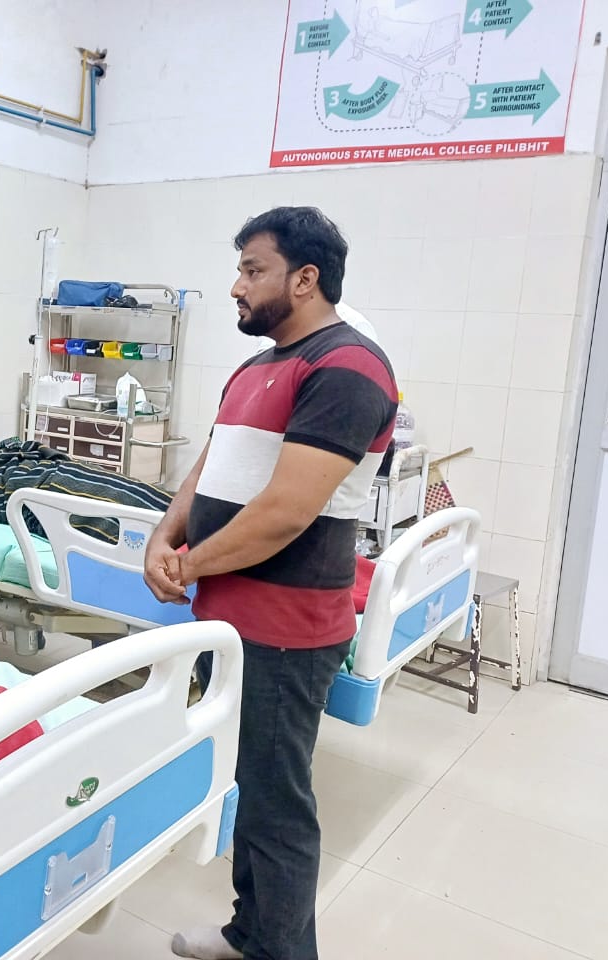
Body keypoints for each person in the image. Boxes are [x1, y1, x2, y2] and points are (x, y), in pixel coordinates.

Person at [144, 207, 398, 960]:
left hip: (286, 632)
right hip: (226, 617)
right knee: (250, 786)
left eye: (253, 270)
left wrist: (188, 563)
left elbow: (286, 512)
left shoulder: (348, 368)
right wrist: (164, 535)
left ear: (305, 278)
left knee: (277, 804)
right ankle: (252, 933)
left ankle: (278, 949)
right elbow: (211, 465)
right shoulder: (256, 368)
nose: (237, 286)